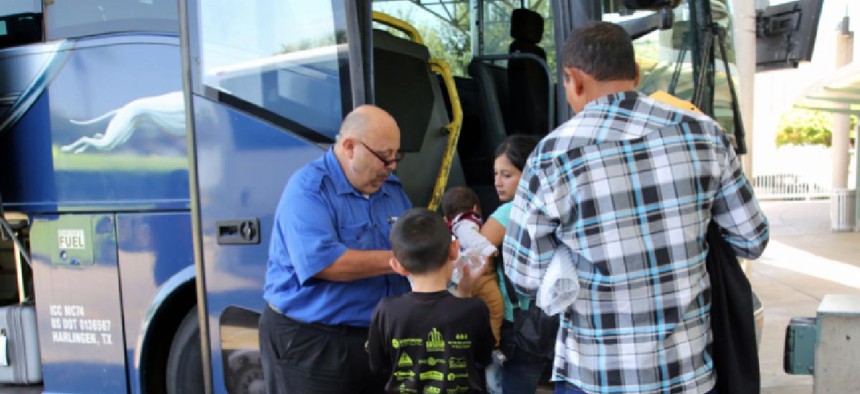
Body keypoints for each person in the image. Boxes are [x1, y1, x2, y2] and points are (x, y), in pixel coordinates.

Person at [502, 21, 769, 394]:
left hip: (594, 378)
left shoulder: (551, 157)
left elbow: (525, 275)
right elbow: (751, 239)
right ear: (636, 73)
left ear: (574, 80)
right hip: (688, 374)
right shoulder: (704, 134)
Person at [258, 104, 412, 394]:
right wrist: (406, 258)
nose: (391, 167)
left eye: (396, 157)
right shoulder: (308, 189)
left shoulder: (392, 189)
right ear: (350, 147)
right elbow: (327, 264)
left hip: (377, 340)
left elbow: (411, 238)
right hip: (313, 342)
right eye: (384, 157)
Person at [367, 207, 494, 394]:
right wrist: (465, 292)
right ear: (454, 250)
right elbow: (483, 358)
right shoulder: (474, 309)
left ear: (397, 266)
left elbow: (377, 365)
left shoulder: (387, 310)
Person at [478, 134, 549, 394]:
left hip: (516, 320)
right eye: (496, 174)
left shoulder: (510, 212)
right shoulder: (553, 206)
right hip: (548, 318)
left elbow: (475, 255)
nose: (497, 182)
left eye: (507, 175)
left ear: (529, 174)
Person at [441, 186, 504, 342]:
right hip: (480, 275)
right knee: (495, 308)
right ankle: (492, 344)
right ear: (476, 208)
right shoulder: (466, 221)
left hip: (458, 278)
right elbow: (470, 237)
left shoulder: (448, 224)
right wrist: (488, 248)